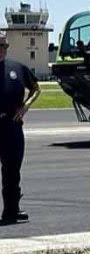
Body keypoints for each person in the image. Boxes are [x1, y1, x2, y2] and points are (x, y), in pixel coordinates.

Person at [0, 32, 40, 225]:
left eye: (4, 46)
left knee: (12, 171)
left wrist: (25, 106)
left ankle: (11, 210)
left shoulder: (17, 68)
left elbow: (36, 88)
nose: (1, 50)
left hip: (12, 128)